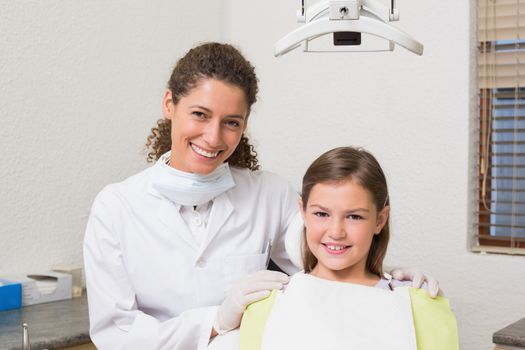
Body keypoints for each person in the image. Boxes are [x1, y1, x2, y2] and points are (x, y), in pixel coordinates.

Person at [83, 43, 440, 350]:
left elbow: (326, 254)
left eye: (231, 122)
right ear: (168, 105)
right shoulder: (117, 207)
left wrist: (388, 278)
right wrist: (216, 320)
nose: (213, 137)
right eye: (199, 115)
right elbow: (117, 334)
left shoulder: (268, 193)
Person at [209, 146, 459, 350]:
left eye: (354, 217)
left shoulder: (417, 304)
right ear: (302, 212)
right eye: (321, 213)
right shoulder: (268, 304)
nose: (336, 231)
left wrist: (413, 297)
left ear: (380, 220)